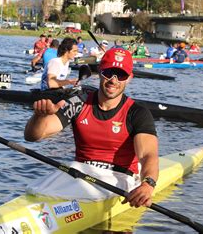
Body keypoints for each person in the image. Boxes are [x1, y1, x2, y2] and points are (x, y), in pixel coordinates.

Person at [25, 48, 158, 207]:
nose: (113, 80)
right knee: (34, 190)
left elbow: (148, 155)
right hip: (80, 172)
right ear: (100, 71)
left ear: (129, 78)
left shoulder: (137, 113)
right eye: (109, 72)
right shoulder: (78, 103)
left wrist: (147, 184)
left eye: (120, 75)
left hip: (120, 178)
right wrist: (39, 116)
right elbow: (33, 136)